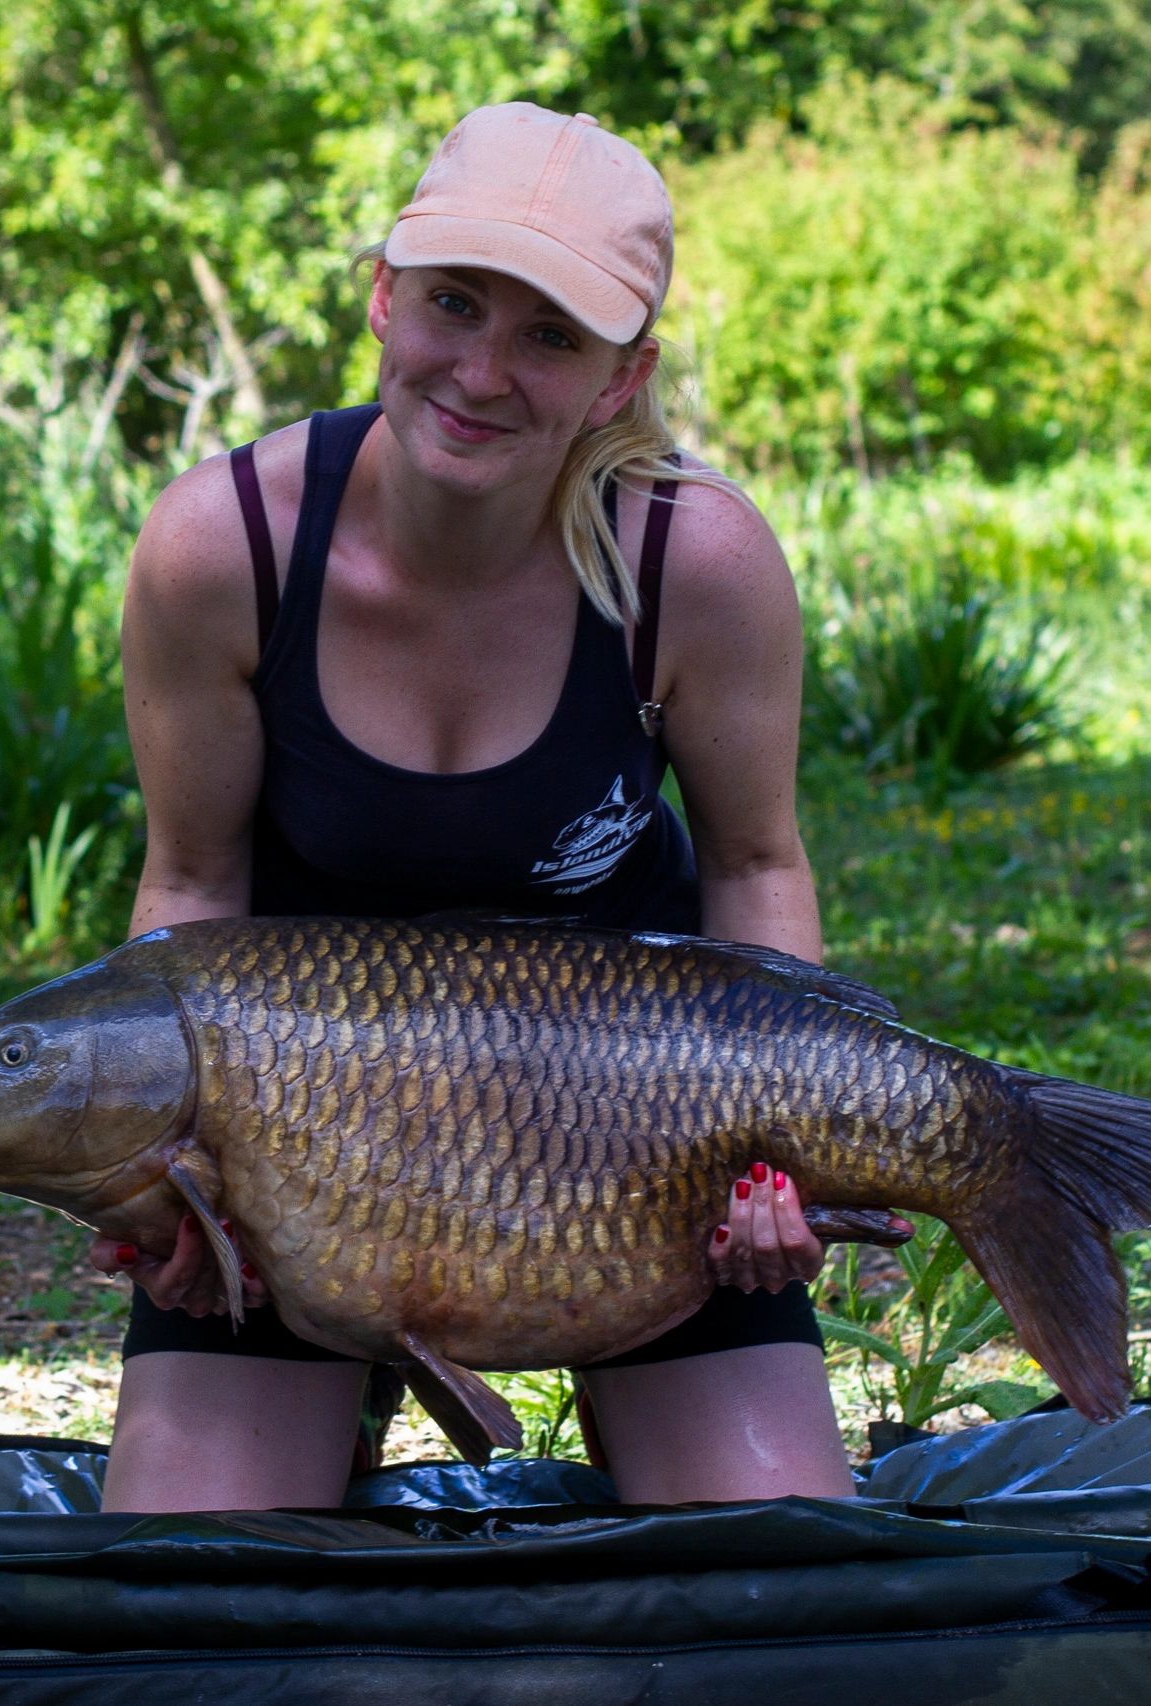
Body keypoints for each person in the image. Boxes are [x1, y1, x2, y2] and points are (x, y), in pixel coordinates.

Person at [93, 101, 852, 1512]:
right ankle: (328, 1390)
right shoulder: (222, 548)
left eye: (552, 337)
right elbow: (191, 890)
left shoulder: (698, 561)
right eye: (454, 303)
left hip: (632, 1131)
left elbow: (756, 867)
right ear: (385, 297)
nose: (484, 372)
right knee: (181, 1575)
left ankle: (640, 1392)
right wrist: (173, 1186)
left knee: (778, 1556)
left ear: (622, 377)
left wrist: (778, 1150)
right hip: (298, 1138)